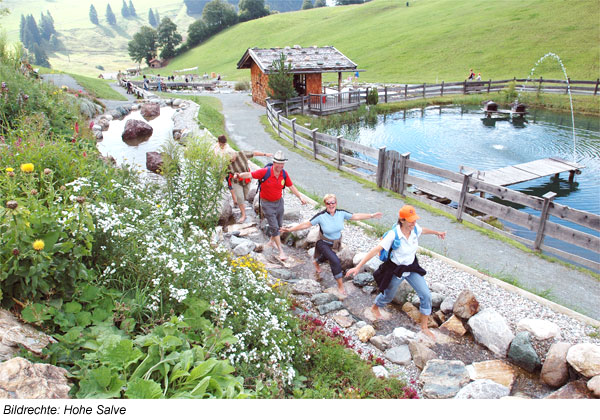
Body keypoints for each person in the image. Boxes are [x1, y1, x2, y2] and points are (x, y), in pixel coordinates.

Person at [345, 205, 446, 339]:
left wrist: (437, 232)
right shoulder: (394, 234)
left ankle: (424, 327)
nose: (414, 223)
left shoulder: (414, 228)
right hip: (396, 269)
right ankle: (376, 307)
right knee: (388, 296)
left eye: (414, 220)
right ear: (402, 220)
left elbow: (423, 230)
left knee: (426, 295)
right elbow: (375, 250)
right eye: (411, 220)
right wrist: (358, 266)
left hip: (411, 267)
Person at [281, 194, 382, 296]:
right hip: (323, 243)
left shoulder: (341, 213)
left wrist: (371, 215)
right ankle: (340, 286)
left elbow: (355, 216)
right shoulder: (321, 216)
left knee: (327, 256)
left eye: (333, 202)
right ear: (325, 204)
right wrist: (290, 229)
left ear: (336, 203)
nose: (331, 205)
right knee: (335, 260)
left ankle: (316, 261)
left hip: (335, 243)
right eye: (328, 203)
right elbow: (306, 224)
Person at [234, 151, 306, 261]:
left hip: (279, 202)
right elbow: (250, 175)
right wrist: (239, 175)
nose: (281, 166)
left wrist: (300, 197)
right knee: (274, 226)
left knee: (279, 225)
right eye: (278, 163)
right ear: (274, 163)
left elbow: (291, 187)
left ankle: (272, 241)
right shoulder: (265, 172)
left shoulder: (284, 174)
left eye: (282, 164)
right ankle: (281, 251)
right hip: (267, 203)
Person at [228, 147, 273, 223]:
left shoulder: (241, 154)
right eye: (230, 160)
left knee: (245, 196)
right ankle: (243, 215)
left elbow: (254, 153)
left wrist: (265, 154)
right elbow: (224, 172)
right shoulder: (226, 161)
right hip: (235, 180)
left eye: (233, 159)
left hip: (246, 179)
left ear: (235, 154)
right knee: (240, 197)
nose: (232, 161)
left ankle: (242, 205)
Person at [211, 135, 238, 206]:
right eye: (220, 143)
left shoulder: (227, 148)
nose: (221, 145)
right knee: (219, 182)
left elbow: (235, 154)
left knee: (229, 184)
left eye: (222, 144)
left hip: (225, 168)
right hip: (218, 167)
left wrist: (230, 160)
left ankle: (235, 201)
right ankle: (216, 198)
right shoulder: (216, 146)